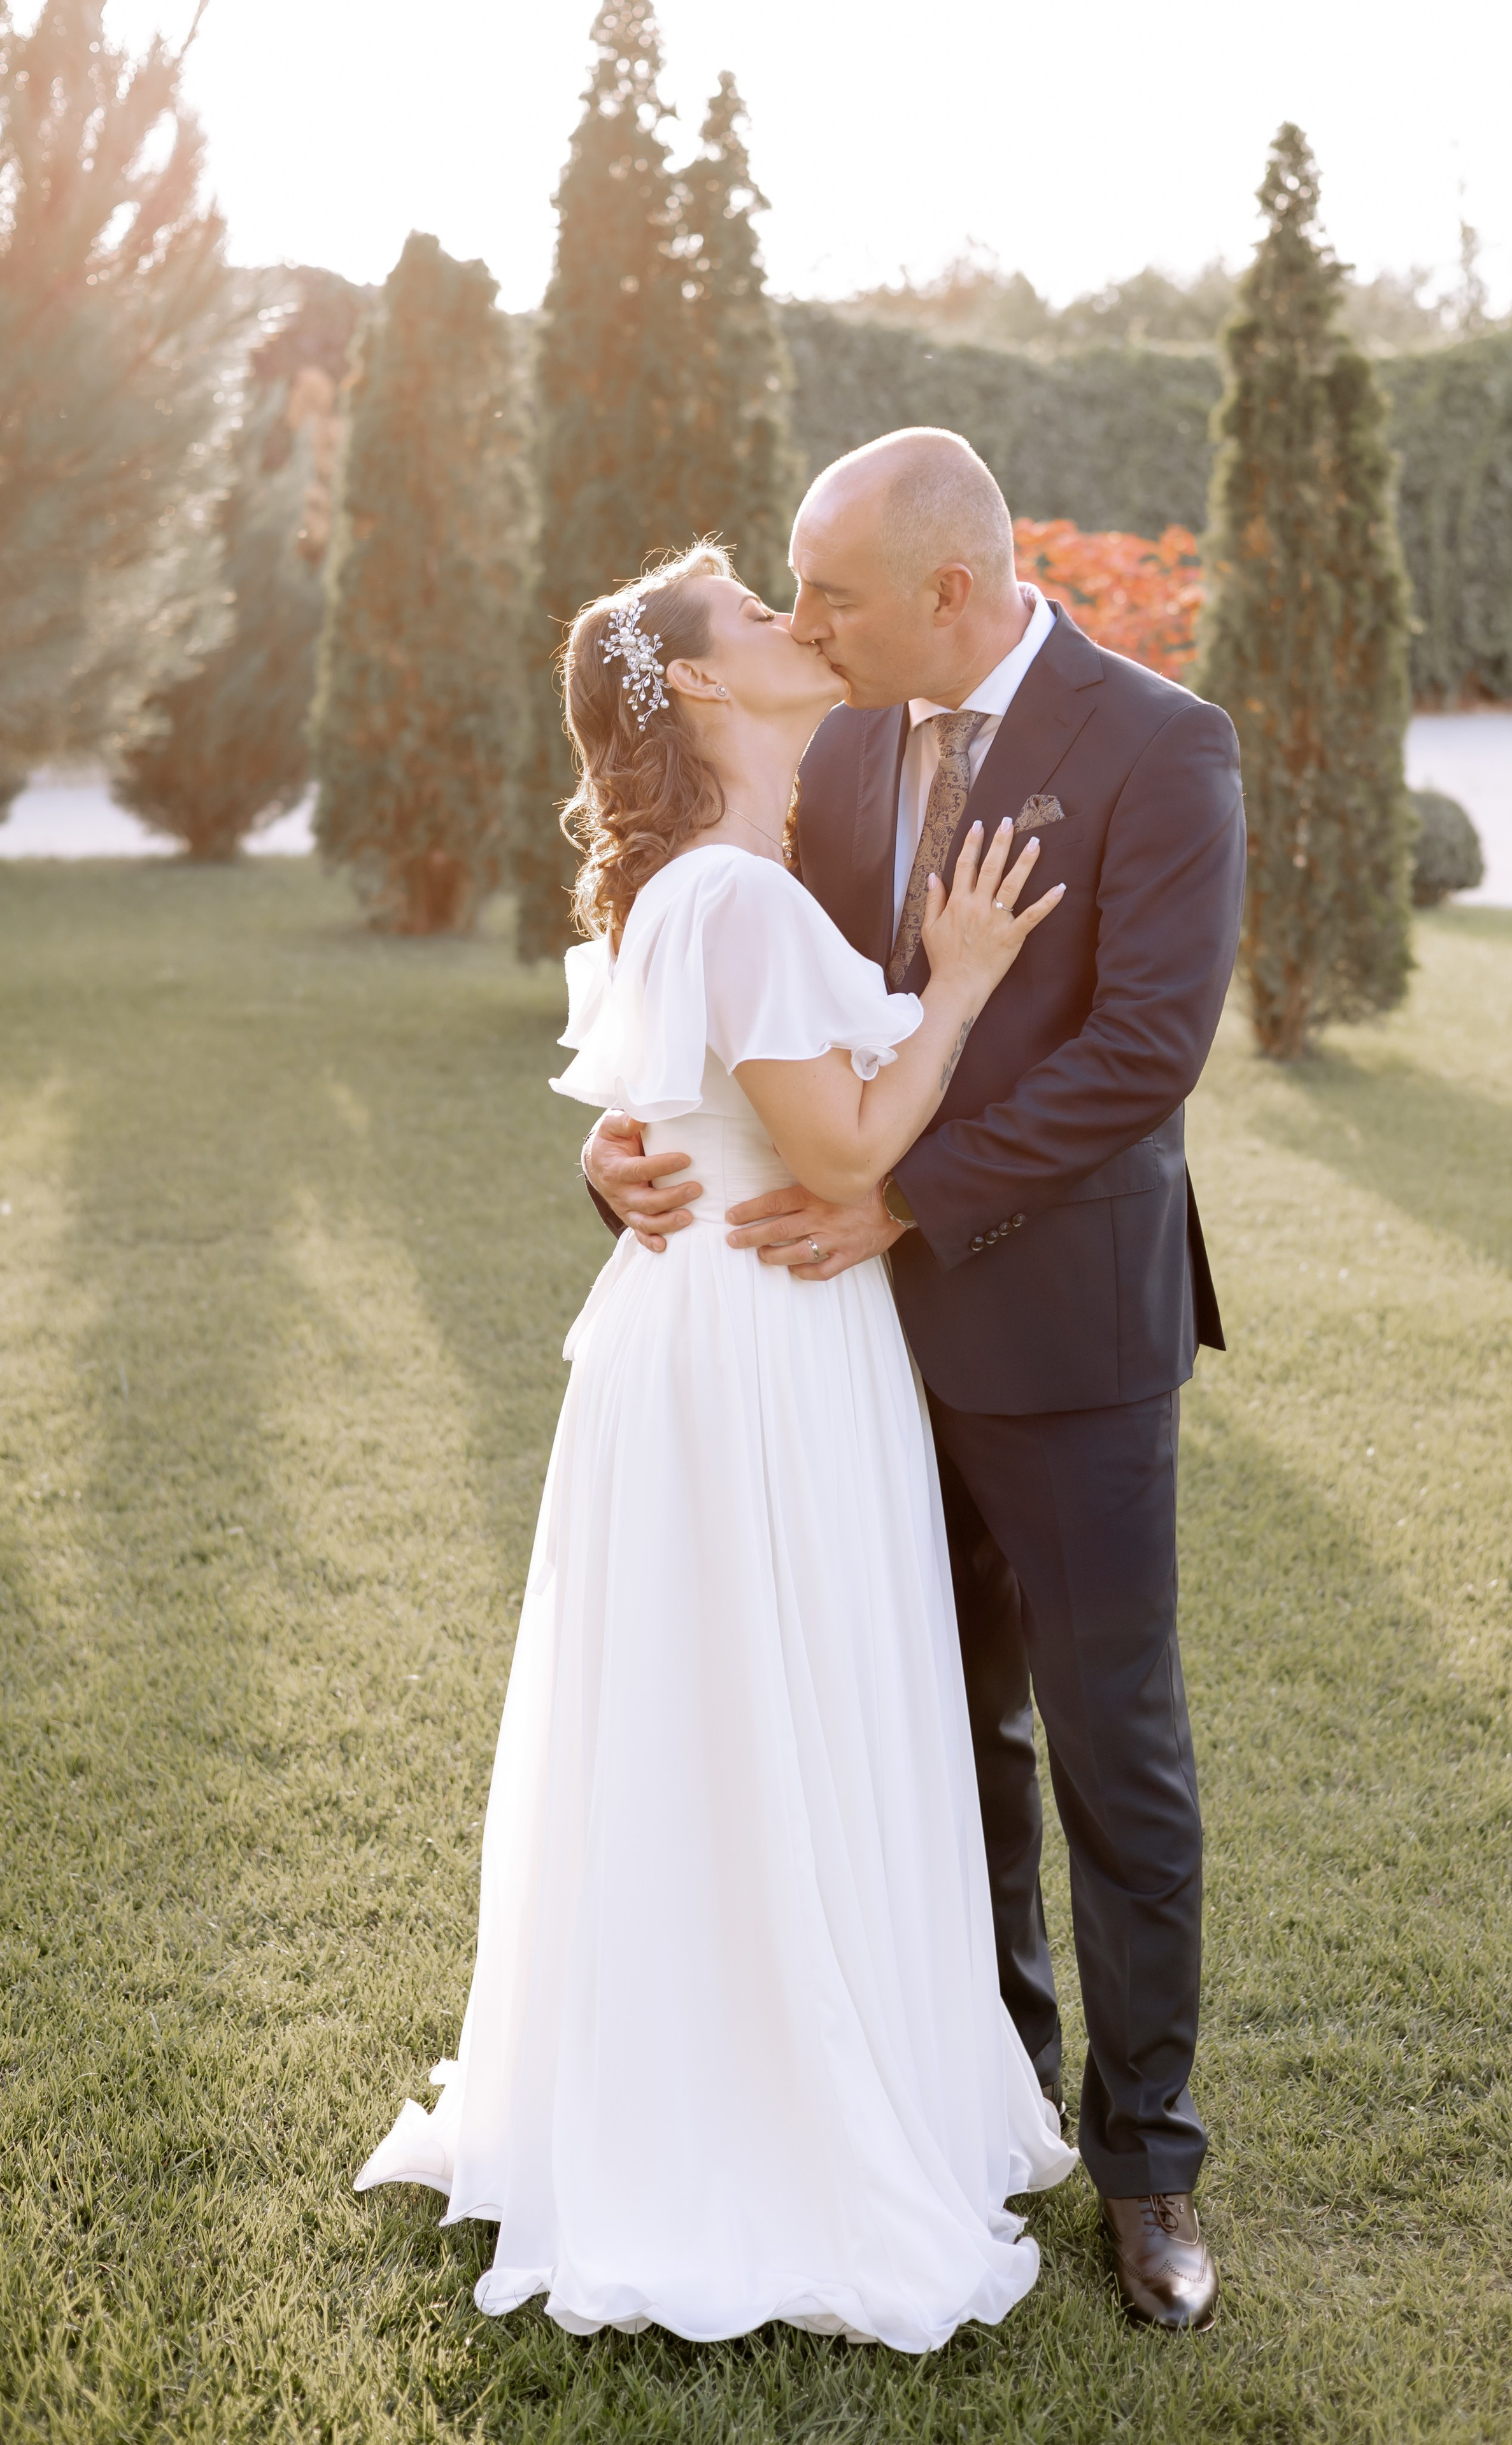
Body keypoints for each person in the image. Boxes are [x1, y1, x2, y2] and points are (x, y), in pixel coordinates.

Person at [355, 542, 1078, 2349]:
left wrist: (627, 1153)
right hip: (760, 1346)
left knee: (714, 1713)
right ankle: (768, 2122)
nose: (796, 622)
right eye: (759, 615)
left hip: (709, 1342)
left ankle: (697, 2075)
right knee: (771, 1698)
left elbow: (654, 1105)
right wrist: (969, 982)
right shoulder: (734, 902)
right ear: (694, 685)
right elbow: (836, 1156)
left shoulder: (703, 883)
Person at [584, 430, 1247, 2332]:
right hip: (847, 1367)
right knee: (936, 1736)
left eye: (839, 594)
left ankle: (1149, 2170)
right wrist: (619, 1158)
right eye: (793, 596)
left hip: (1066, 1343)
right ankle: (989, 2111)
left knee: (1113, 1744)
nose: (810, 625)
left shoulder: (1159, 744)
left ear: (953, 588)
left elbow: (1144, 1051)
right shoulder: (837, 739)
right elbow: (726, 997)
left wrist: (900, 1206)